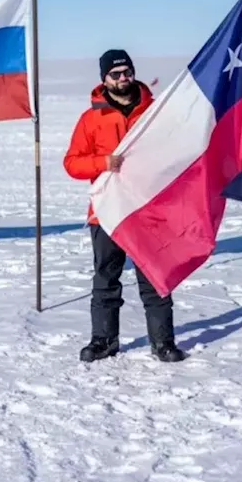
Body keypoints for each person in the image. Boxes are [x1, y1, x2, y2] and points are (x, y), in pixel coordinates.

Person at [63, 49, 189, 364]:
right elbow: (72, 164)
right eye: (116, 74)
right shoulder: (91, 119)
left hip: (148, 209)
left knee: (154, 275)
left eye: (127, 72)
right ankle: (103, 341)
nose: (123, 78)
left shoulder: (155, 113)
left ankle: (163, 342)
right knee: (106, 277)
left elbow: (175, 150)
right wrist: (103, 162)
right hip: (107, 211)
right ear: (104, 79)